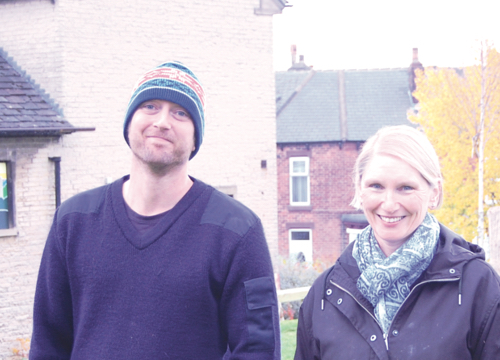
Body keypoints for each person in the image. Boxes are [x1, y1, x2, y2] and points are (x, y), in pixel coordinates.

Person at [30, 61, 280, 359]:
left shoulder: (237, 230)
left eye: (180, 113)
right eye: (150, 106)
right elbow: (47, 343)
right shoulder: (73, 221)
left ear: (195, 138)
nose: (162, 121)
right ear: (129, 122)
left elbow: (258, 351)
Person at [294, 125, 500, 360]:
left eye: (406, 188)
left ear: (434, 192)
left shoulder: (477, 286)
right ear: (359, 189)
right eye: (376, 186)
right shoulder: (325, 292)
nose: (389, 204)